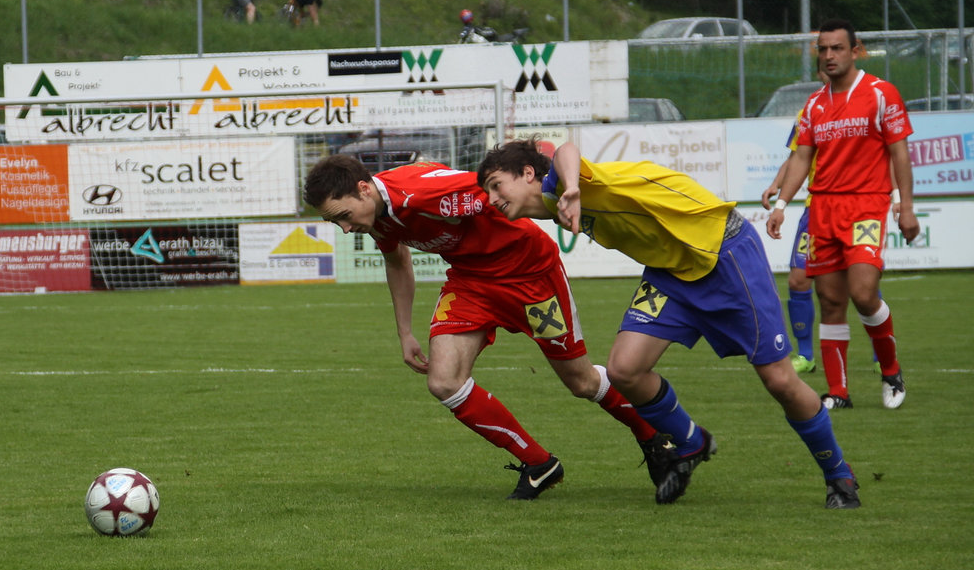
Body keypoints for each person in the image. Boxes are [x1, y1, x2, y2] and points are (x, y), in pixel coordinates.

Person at [478, 139, 861, 509]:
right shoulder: (549, 203)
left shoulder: (562, 185)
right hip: (670, 273)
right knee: (624, 369)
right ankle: (692, 442)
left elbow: (565, 149)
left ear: (528, 173)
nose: (492, 198)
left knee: (780, 381)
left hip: (723, 253)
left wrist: (574, 189)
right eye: (487, 191)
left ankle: (839, 474)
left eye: (496, 185)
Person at [303, 155, 671, 500]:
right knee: (443, 381)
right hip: (471, 283)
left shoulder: (427, 193)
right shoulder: (376, 214)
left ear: (364, 189)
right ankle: (539, 463)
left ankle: (656, 437)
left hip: (530, 277)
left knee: (582, 382)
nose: (346, 228)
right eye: (336, 222)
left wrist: (579, 206)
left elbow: (510, 192)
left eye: (344, 216)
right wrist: (405, 333)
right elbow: (397, 260)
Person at [766, 19, 919, 410]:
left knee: (864, 293)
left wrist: (905, 205)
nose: (829, 55)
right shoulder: (814, 105)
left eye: (837, 48)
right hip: (823, 209)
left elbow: (900, 152)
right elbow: (802, 158)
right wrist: (781, 205)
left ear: (856, 50)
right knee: (830, 301)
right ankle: (838, 392)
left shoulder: (881, 93)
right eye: (823, 49)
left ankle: (891, 370)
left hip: (866, 205)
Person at [762, 69, 893, 376]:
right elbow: (797, 157)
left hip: (856, 207)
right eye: (824, 56)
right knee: (797, 280)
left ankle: (881, 354)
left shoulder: (865, 105)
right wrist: (777, 187)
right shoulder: (809, 110)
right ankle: (805, 355)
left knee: (862, 283)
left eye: (836, 51)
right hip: (816, 211)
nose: (829, 65)